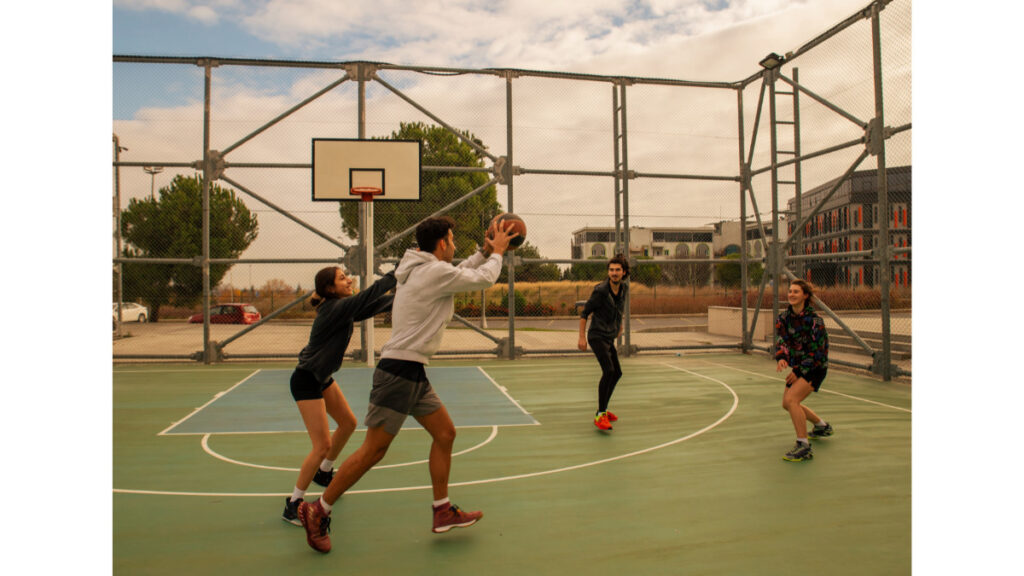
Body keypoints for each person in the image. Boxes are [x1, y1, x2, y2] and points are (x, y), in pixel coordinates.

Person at [297, 215, 518, 553]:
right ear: (442, 243)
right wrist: (498, 253)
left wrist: (483, 251)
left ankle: (442, 510)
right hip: (399, 372)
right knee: (374, 450)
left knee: (445, 433)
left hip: (412, 371)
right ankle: (318, 509)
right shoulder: (433, 272)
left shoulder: (424, 268)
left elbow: (461, 272)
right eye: (452, 239)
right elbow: (481, 279)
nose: (455, 245)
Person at [281, 265, 396, 525]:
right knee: (322, 445)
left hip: (321, 378)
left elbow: (375, 305)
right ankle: (293, 503)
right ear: (330, 289)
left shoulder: (343, 308)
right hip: (306, 380)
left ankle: (324, 473)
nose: (349, 280)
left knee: (348, 423)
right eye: (342, 278)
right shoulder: (334, 308)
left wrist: (410, 293)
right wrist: (396, 274)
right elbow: (368, 297)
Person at [775, 279, 834, 462]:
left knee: (792, 400)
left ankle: (804, 446)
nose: (791, 294)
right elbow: (782, 342)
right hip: (800, 367)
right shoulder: (784, 318)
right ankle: (821, 426)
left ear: (805, 296)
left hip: (815, 368)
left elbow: (818, 351)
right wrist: (782, 358)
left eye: (796, 292)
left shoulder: (815, 321)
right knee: (787, 403)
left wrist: (800, 371)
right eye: (790, 291)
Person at [578, 254, 629, 431]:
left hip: (608, 336)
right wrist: (581, 337)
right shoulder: (600, 291)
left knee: (617, 373)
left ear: (624, 272)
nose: (614, 273)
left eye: (617, 270)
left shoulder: (624, 289)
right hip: (596, 336)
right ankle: (600, 415)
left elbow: (619, 308)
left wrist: (619, 324)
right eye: (611, 270)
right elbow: (585, 314)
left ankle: (604, 410)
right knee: (608, 371)